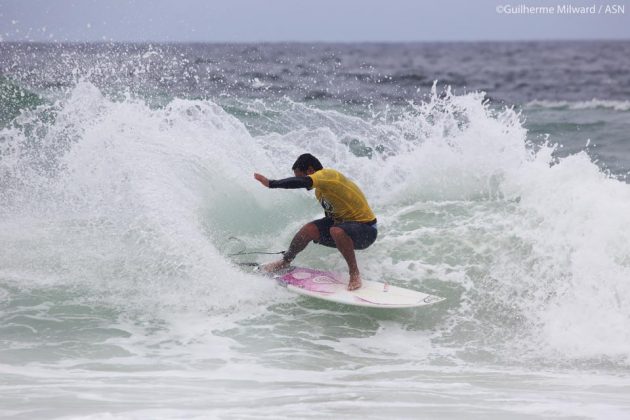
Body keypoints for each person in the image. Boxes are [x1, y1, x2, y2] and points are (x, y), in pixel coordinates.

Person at [254, 153, 377, 291]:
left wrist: (271, 183)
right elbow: (331, 217)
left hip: (367, 230)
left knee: (336, 230)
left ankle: (354, 273)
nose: (299, 180)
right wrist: (315, 233)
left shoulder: (329, 175)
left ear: (310, 170)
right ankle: (285, 261)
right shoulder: (320, 191)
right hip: (345, 227)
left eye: (300, 176)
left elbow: (303, 182)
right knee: (308, 230)